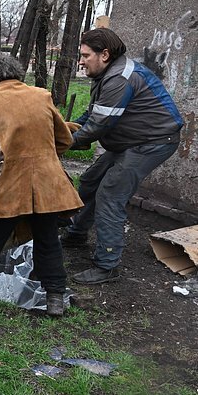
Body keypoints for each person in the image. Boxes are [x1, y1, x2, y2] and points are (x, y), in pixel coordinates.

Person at [0, 55, 83, 317]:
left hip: (6, 187)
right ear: (17, 75)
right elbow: (64, 140)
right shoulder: (41, 95)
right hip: (49, 185)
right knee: (48, 240)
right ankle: (55, 298)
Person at [63, 28, 184, 284]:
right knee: (90, 181)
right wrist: (67, 129)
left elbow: (98, 127)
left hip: (152, 142)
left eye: (85, 55)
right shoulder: (107, 74)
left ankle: (106, 266)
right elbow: (93, 116)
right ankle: (76, 234)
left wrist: (60, 144)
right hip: (131, 141)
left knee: (110, 194)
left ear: (104, 54)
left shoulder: (120, 78)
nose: (81, 61)